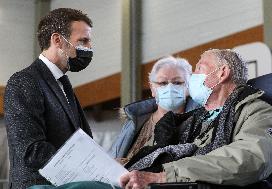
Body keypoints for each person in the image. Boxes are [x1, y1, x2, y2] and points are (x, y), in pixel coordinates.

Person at [120, 49, 272, 189]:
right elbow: (153, 155)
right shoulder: (190, 120)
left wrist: (165, 176)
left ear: (222, 73)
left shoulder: (257, 112)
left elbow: (251, 159)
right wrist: (126, 165)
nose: (192, 77)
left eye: (199, 69)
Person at [4, 8, 94, 189]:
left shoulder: (63, 84)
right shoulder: (24, 81)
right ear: (57, 40)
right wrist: (87, 166)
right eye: (83, 41)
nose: (89, 48)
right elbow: (31, 150)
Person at [110, 56, 199, 164]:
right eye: (163, 83)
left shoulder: (198, 122)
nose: (170, 88)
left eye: (177, 83)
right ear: (152, 89)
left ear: (189, 87)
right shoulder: (135, 121)